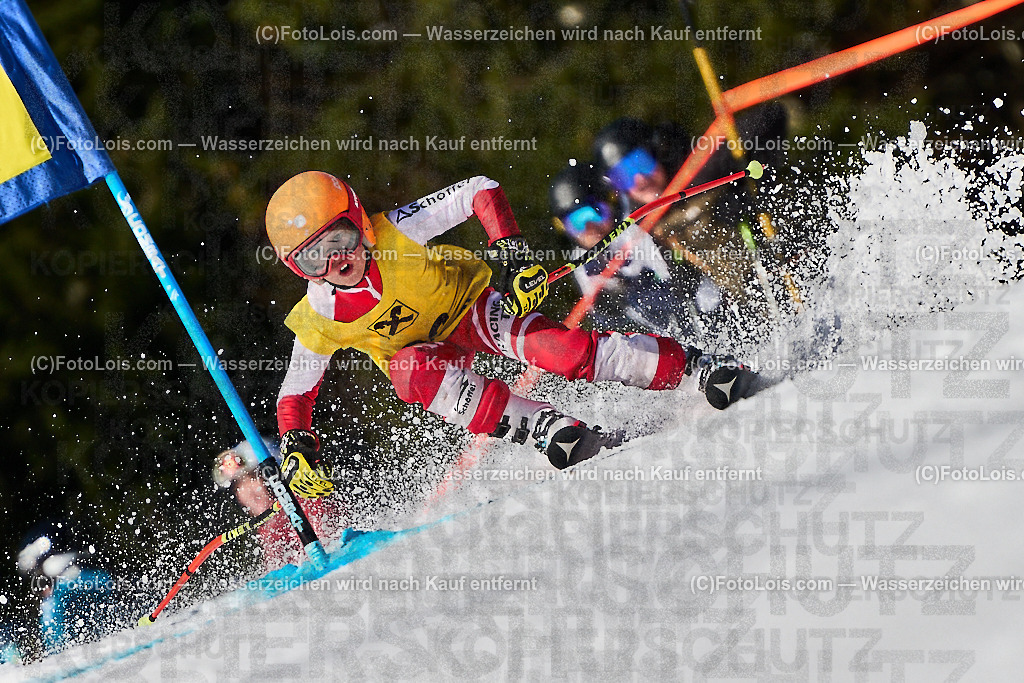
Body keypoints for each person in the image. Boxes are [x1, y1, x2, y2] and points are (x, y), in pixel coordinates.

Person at [265, 172, 756, 499]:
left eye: (341, 239)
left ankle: (697, 367)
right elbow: (296, 391)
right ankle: (541, 428)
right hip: (425, 356)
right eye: (314, 258)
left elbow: (479, 188)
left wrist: (510, 251)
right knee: (411, 372)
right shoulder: (318, 314)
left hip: (472, 308)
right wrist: (296, 447)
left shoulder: (395, 230)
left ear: (361, 224)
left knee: (562, 352)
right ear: (297, 270)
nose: (336, 262)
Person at [591, 107, 789, 307]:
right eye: (623, 177)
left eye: (641, 163)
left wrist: (763, 180)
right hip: (747, 301)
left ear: (658, 150)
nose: (640, 179)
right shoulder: (645, 228)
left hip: (780, 259)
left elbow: (770, 115)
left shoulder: (700, 171)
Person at [548, 162, 706, 337]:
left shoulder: (639, 223)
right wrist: (610, 305)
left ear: (609, 200)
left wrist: (633, 292)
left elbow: (682, 287)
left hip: (703, 303)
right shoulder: (581, 261)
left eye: (593, 213)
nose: (590, 228)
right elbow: (606, 322)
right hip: (660, 333)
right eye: (576, 223)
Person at [212, 440, 346, 571]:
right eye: (238, 486)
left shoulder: (308, 505)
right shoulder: (268, 530)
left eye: (253, 478)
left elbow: (335, 552)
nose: (248, 492)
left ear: (275, 479)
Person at [16, 520, 126, 656]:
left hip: (82, 587)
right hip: (102, 584)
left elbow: (54, 632)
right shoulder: (93, 574)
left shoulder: (57, 592)